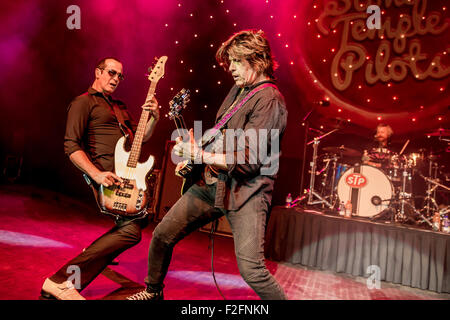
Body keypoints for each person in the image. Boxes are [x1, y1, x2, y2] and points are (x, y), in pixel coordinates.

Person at [127, 29, 288, 300]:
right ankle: (153, 292)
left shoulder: (269, 99)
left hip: (247, 192)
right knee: (162, 235)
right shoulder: (239, 90)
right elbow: (221, 131)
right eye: (230, 62)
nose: (231, 69)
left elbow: (248, 160)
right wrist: (195, 152)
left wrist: (199, 156)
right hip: (212, 184)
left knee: (252, 270)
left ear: (257, 60)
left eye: (237, 61)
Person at [40, 57, 159, 300]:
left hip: (126, 177)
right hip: (104, 176)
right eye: (111, 73)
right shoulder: (82, 103)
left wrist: (155, 116)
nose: (116, 79)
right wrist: (95, 174)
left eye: (120, 76)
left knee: (135, 226)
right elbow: (71, 146)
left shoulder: (119, 106)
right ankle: (58, 280)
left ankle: (75, 275)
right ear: (98, 72)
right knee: (131, 231)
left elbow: (140, 138)